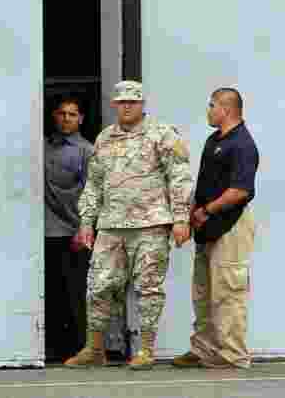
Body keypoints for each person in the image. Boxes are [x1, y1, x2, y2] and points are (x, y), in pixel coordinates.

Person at [64, 80, 193, 370]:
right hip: (111, 225)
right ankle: (95, 349)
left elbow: (179, 177)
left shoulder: (162, 134)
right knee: (98, 286)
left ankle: (145, 349)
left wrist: (181, 218)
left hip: (150, 224)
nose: (126, 107)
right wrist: (86, 222)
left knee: (148, 288)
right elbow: (94, 184)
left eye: (132, 102)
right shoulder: (105, 138)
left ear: (142, 104)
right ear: (114, 104)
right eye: (121, 102)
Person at [173, 87, 259, 369]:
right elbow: (203, 185)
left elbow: (240, 190)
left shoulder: (242, 144)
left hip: (230, 225)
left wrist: (207, 211)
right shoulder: (214, 141)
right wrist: (189, 218)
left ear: (226, 109)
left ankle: (233, 355)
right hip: (206, 225)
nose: (208, 111)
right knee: (204, 292)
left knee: (228, 292)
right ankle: (204, 349)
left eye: (211, 106)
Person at [44, 96, 94, 361]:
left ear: (81, 119)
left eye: (72, 114)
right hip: (45, 232)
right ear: (54, 116)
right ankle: (51, 348)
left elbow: (92, 192)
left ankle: (78, 348)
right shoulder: (41, 147)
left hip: (73, 231)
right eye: (62, 113)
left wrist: (84, 228)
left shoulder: (87, 151)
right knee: (50, 292)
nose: (66, 118)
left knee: (74, 293)